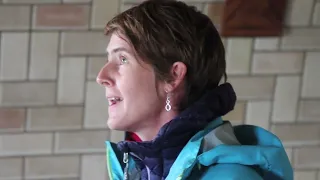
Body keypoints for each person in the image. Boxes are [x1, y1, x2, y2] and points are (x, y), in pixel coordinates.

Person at [96, 0, 293, 179]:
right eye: (108, 60)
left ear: (173, 76)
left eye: (122, 59)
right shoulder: (137, 170)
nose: (101, 77)